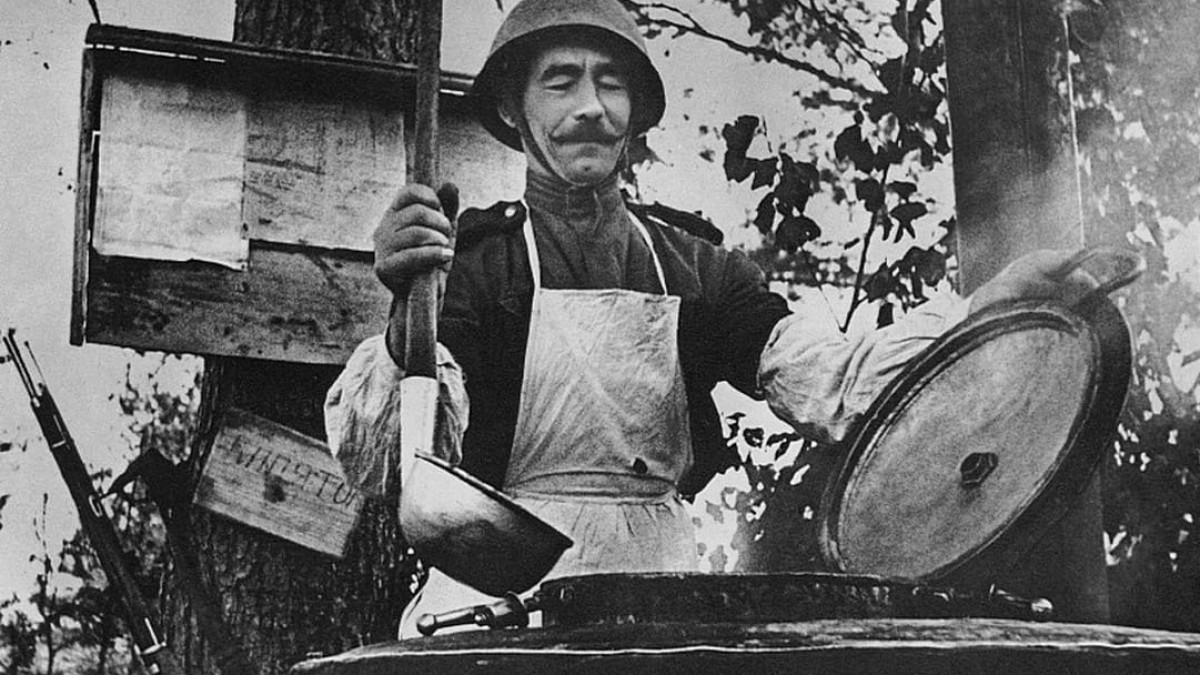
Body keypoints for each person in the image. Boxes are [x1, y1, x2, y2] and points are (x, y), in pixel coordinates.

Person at [324, 0, 1096, 637]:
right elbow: (393, 465)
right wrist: (406, 317)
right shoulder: (471, 264)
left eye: (610, 84)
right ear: (510, 107)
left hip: (658, 600)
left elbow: (836, 381)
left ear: (635, 112)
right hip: (497, 594)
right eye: (560, 82)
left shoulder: (696, 267)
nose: (590, 107)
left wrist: (983, 313)